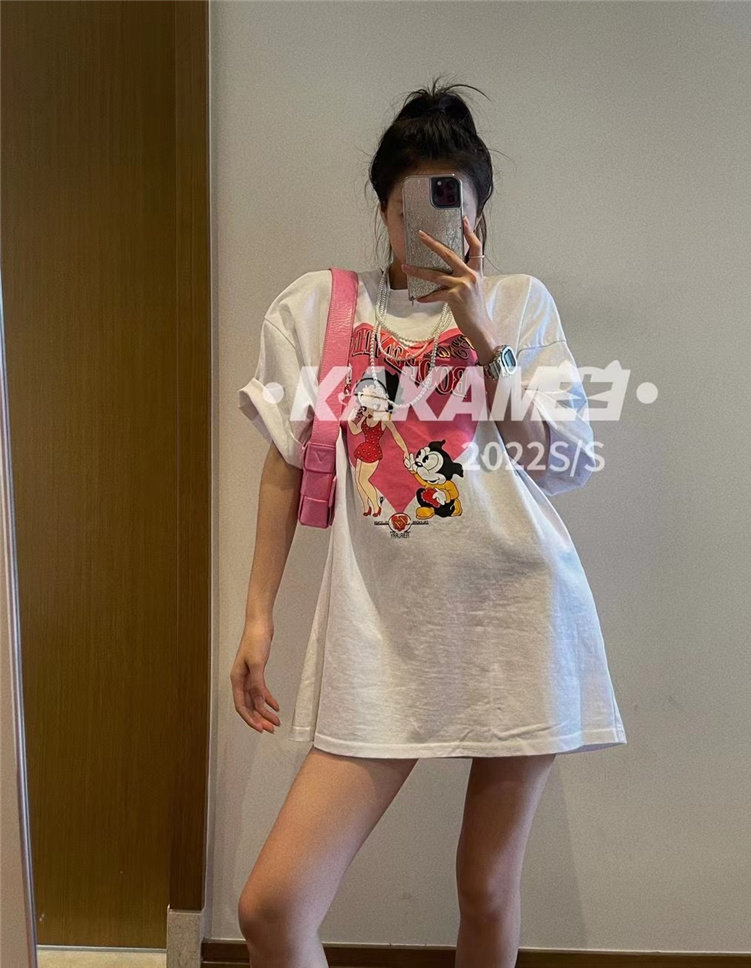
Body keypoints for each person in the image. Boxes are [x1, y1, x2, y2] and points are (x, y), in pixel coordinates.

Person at [232, 76, 627, 968]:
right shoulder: (321, 309)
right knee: (272, 908)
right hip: (385, 635)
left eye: (454, 201)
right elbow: (285, 465)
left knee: (485, 889)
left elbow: (554, 462)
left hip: (517, 620)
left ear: (479, 211)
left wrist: (479, 328)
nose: (433, 224)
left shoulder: (519, 305)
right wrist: (257, 618)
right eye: (410, 202)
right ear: (384, 207)